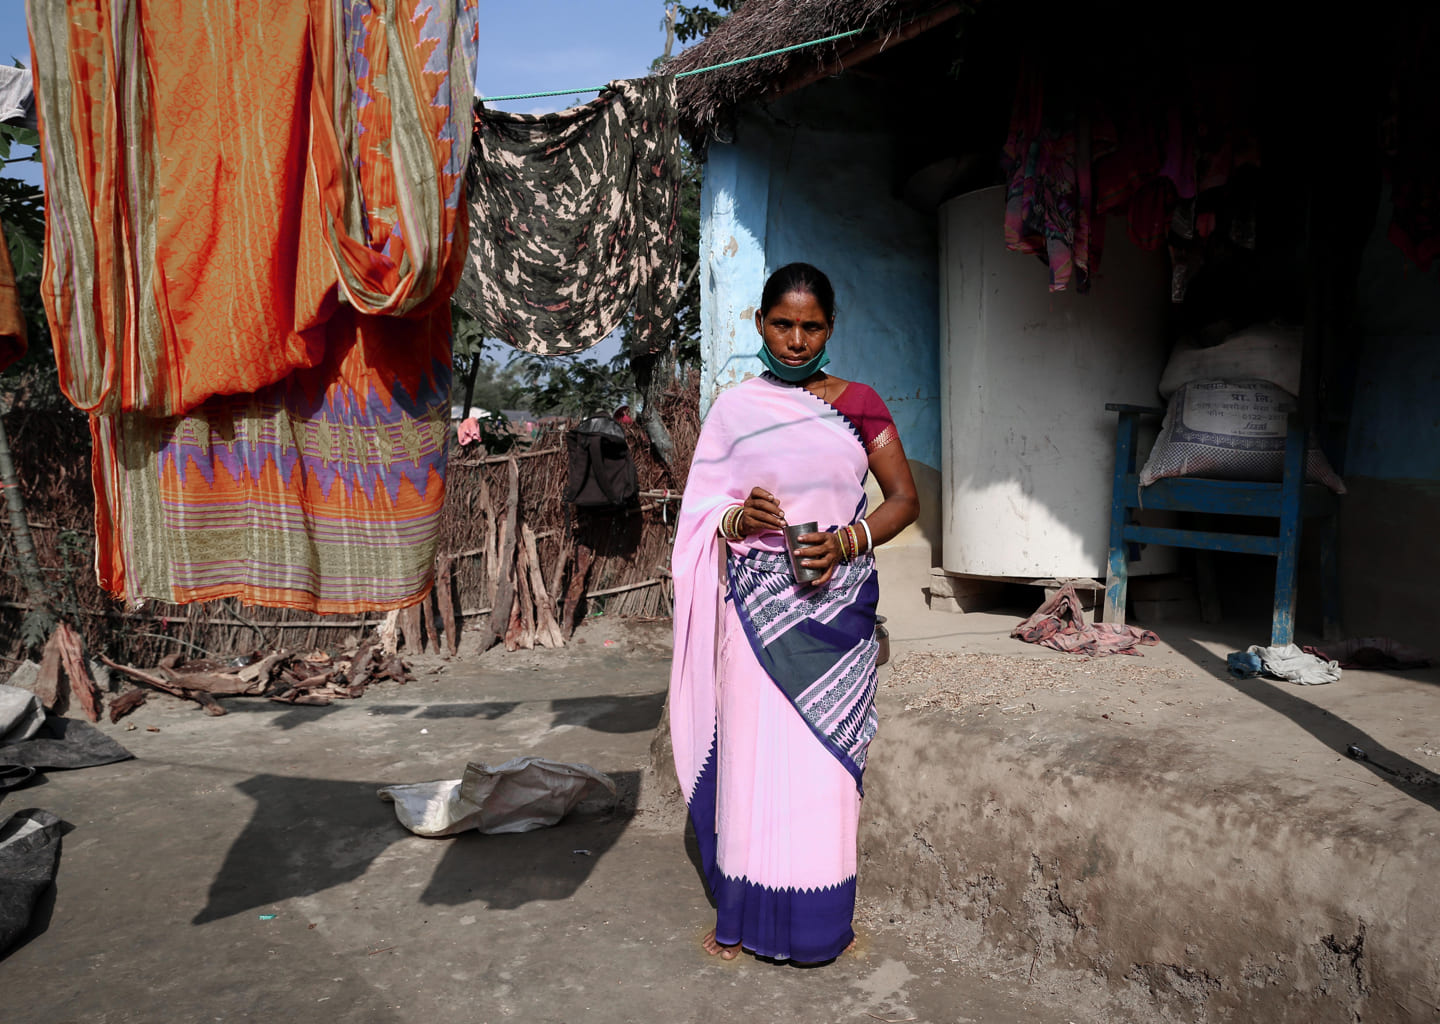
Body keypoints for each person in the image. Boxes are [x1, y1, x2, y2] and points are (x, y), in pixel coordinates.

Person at [669, 262, 920, 964]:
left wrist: (845, 542)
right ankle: (744, 917)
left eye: (812, 327)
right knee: (754, 759)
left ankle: (816, 927)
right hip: (756, 616)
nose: (797, 339)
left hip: (835, 615)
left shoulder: (861, 404)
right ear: (759, 322)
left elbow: (904, 500)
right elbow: (701, 511)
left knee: (821, 768)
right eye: (783, 324)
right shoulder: (734, 409)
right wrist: (738, 515)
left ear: (831, 328)